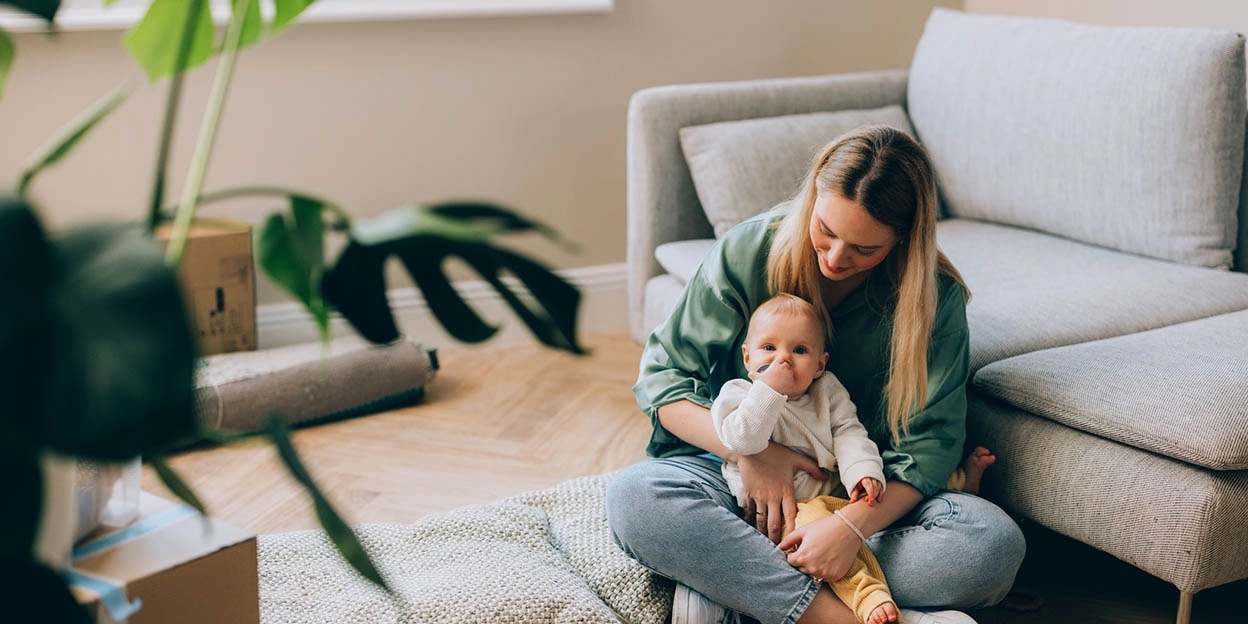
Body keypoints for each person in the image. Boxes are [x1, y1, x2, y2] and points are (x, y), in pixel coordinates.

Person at [605, 125, 1026, 624]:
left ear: (904, 240)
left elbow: (929, 449)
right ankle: (841, 615)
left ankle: (734, 590)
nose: (835, 258)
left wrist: (848, 529)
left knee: (989, 547)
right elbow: (663, 380)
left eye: (865, 249)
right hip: (733, 480)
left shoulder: (935, 300)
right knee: (637, 499)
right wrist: (755, 453)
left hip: (857, 494)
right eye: (826, 231)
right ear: (813, 200)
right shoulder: (749, 250)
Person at [713, 292, 895, 624]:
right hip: (790, 512)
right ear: (747, 357)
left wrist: (863, 471)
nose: (783, 359)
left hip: (839, 492)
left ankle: (962, 483)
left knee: (890, 485)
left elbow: (849, 432)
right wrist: (770, 390)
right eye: (769, 348)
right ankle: (868, 597)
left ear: (820, 364)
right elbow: (742, 440)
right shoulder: (738, 394)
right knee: (815, 537)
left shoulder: (826, 390)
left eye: (799, 350)